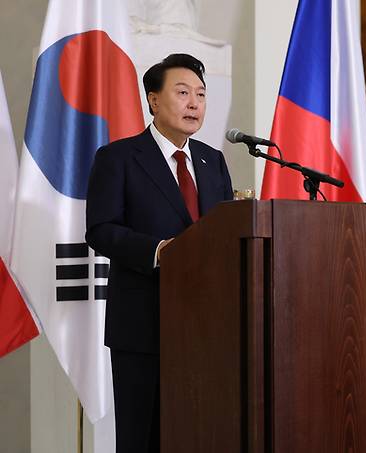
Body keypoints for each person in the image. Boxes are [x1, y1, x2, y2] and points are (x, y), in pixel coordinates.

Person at [86, 53, 233, 453]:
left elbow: (224, 232)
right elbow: (100, 229)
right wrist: (158, 251)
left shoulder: (213, 160)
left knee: (199, 434)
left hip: (206, 328)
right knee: (144, 438)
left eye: (201, 95)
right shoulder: (118, 158)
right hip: (143, 326)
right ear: (153, 100)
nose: (194, 103)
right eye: (182, 92)